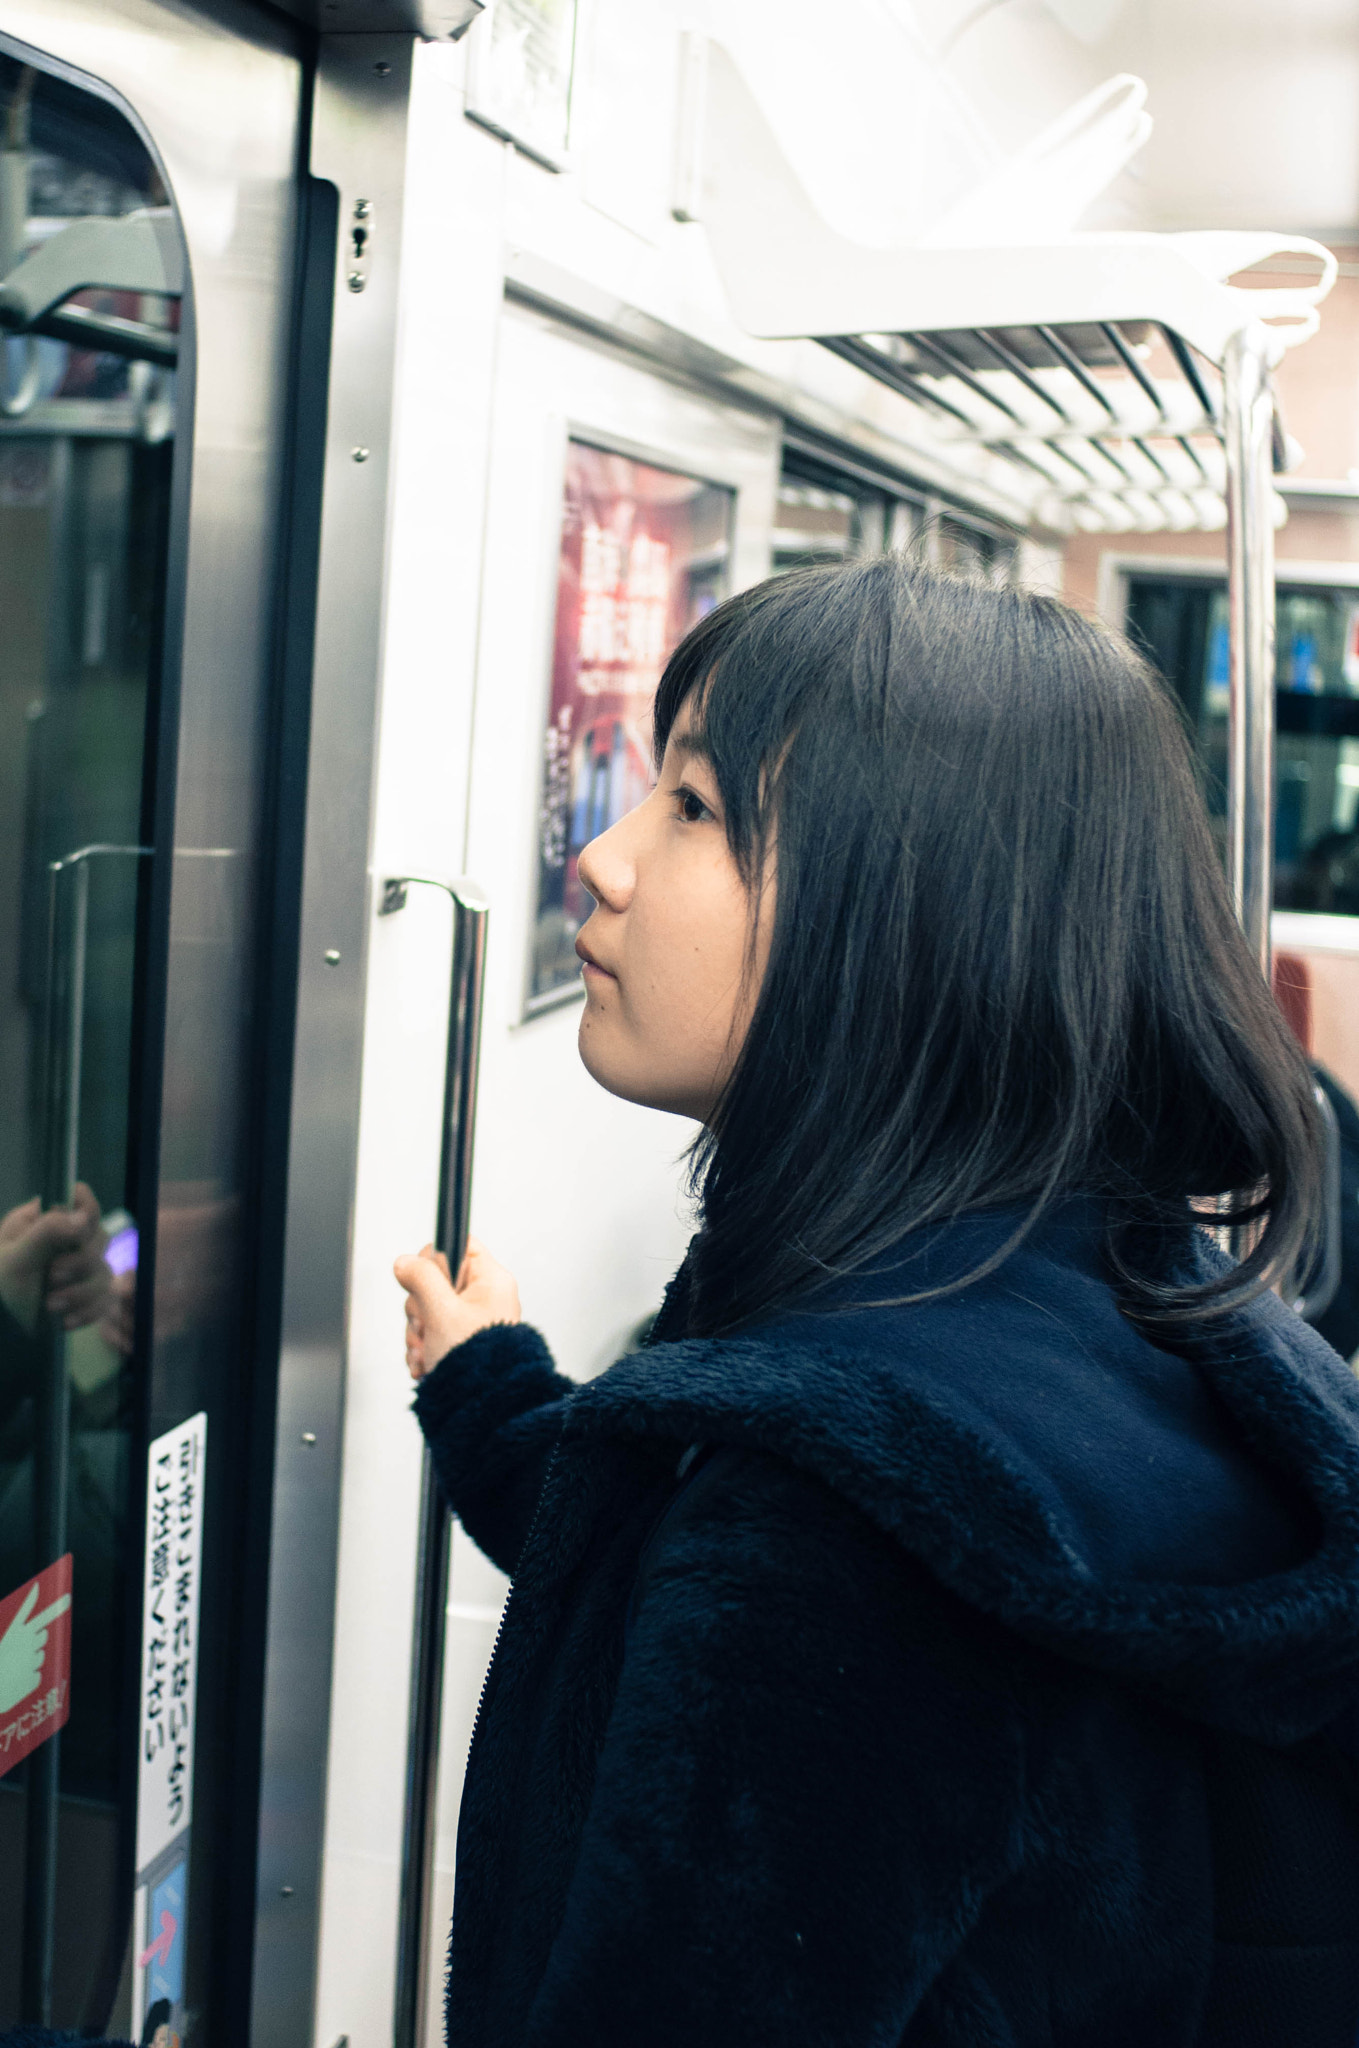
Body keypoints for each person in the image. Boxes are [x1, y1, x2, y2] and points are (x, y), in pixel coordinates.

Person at [394, 558, 1359, 2048]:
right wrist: (497, 1398)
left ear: (909, 910)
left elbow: (801, 1624)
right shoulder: (1123, 1297)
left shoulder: (834, 1518)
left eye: (697, 809)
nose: (605, 860)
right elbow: (757, 1640)